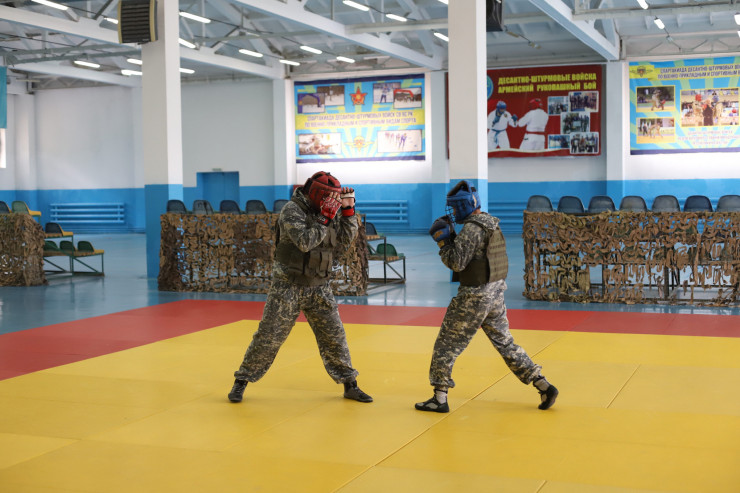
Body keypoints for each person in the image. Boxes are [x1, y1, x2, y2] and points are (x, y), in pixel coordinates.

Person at [228, 171, 372, 404]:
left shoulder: (328, 210)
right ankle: (241, 381)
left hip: (320, 286)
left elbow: (344, 244)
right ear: (315, 194)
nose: (331, 203)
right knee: (268, 337)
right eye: (328, 198)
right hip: (288, 287)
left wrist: (348, 212)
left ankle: (350, 384)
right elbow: (305, 242)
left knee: (335, 337)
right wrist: (324, 218)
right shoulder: (292, 211)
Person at [416, 180, 558, 413]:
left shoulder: (472, 229)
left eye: (455, 207)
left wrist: (444, 242)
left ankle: (439, 398)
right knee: (505, 342)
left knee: (446, 344)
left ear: (464, 206)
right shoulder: (491, 223)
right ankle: (543, 385)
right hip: (495, 293)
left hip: (474, 297)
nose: (453, 212)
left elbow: (456, 263)